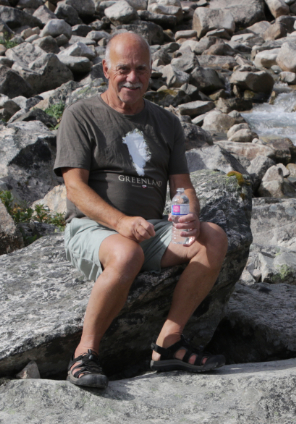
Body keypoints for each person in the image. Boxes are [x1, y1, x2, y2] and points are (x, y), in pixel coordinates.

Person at [54, 31, 228, 389]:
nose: (132, 78)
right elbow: (75, 188)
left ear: (151, 72)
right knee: (127, 253)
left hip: (150, 228)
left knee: (213, 238)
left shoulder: (166, 123)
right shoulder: (81, 115)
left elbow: (182, 186)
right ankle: (84, 353)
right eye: (123, 69)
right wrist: (120, 222)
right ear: (106, 69)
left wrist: (189, 213)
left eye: (141, 70)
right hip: (93, 228)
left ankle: (168, 343)